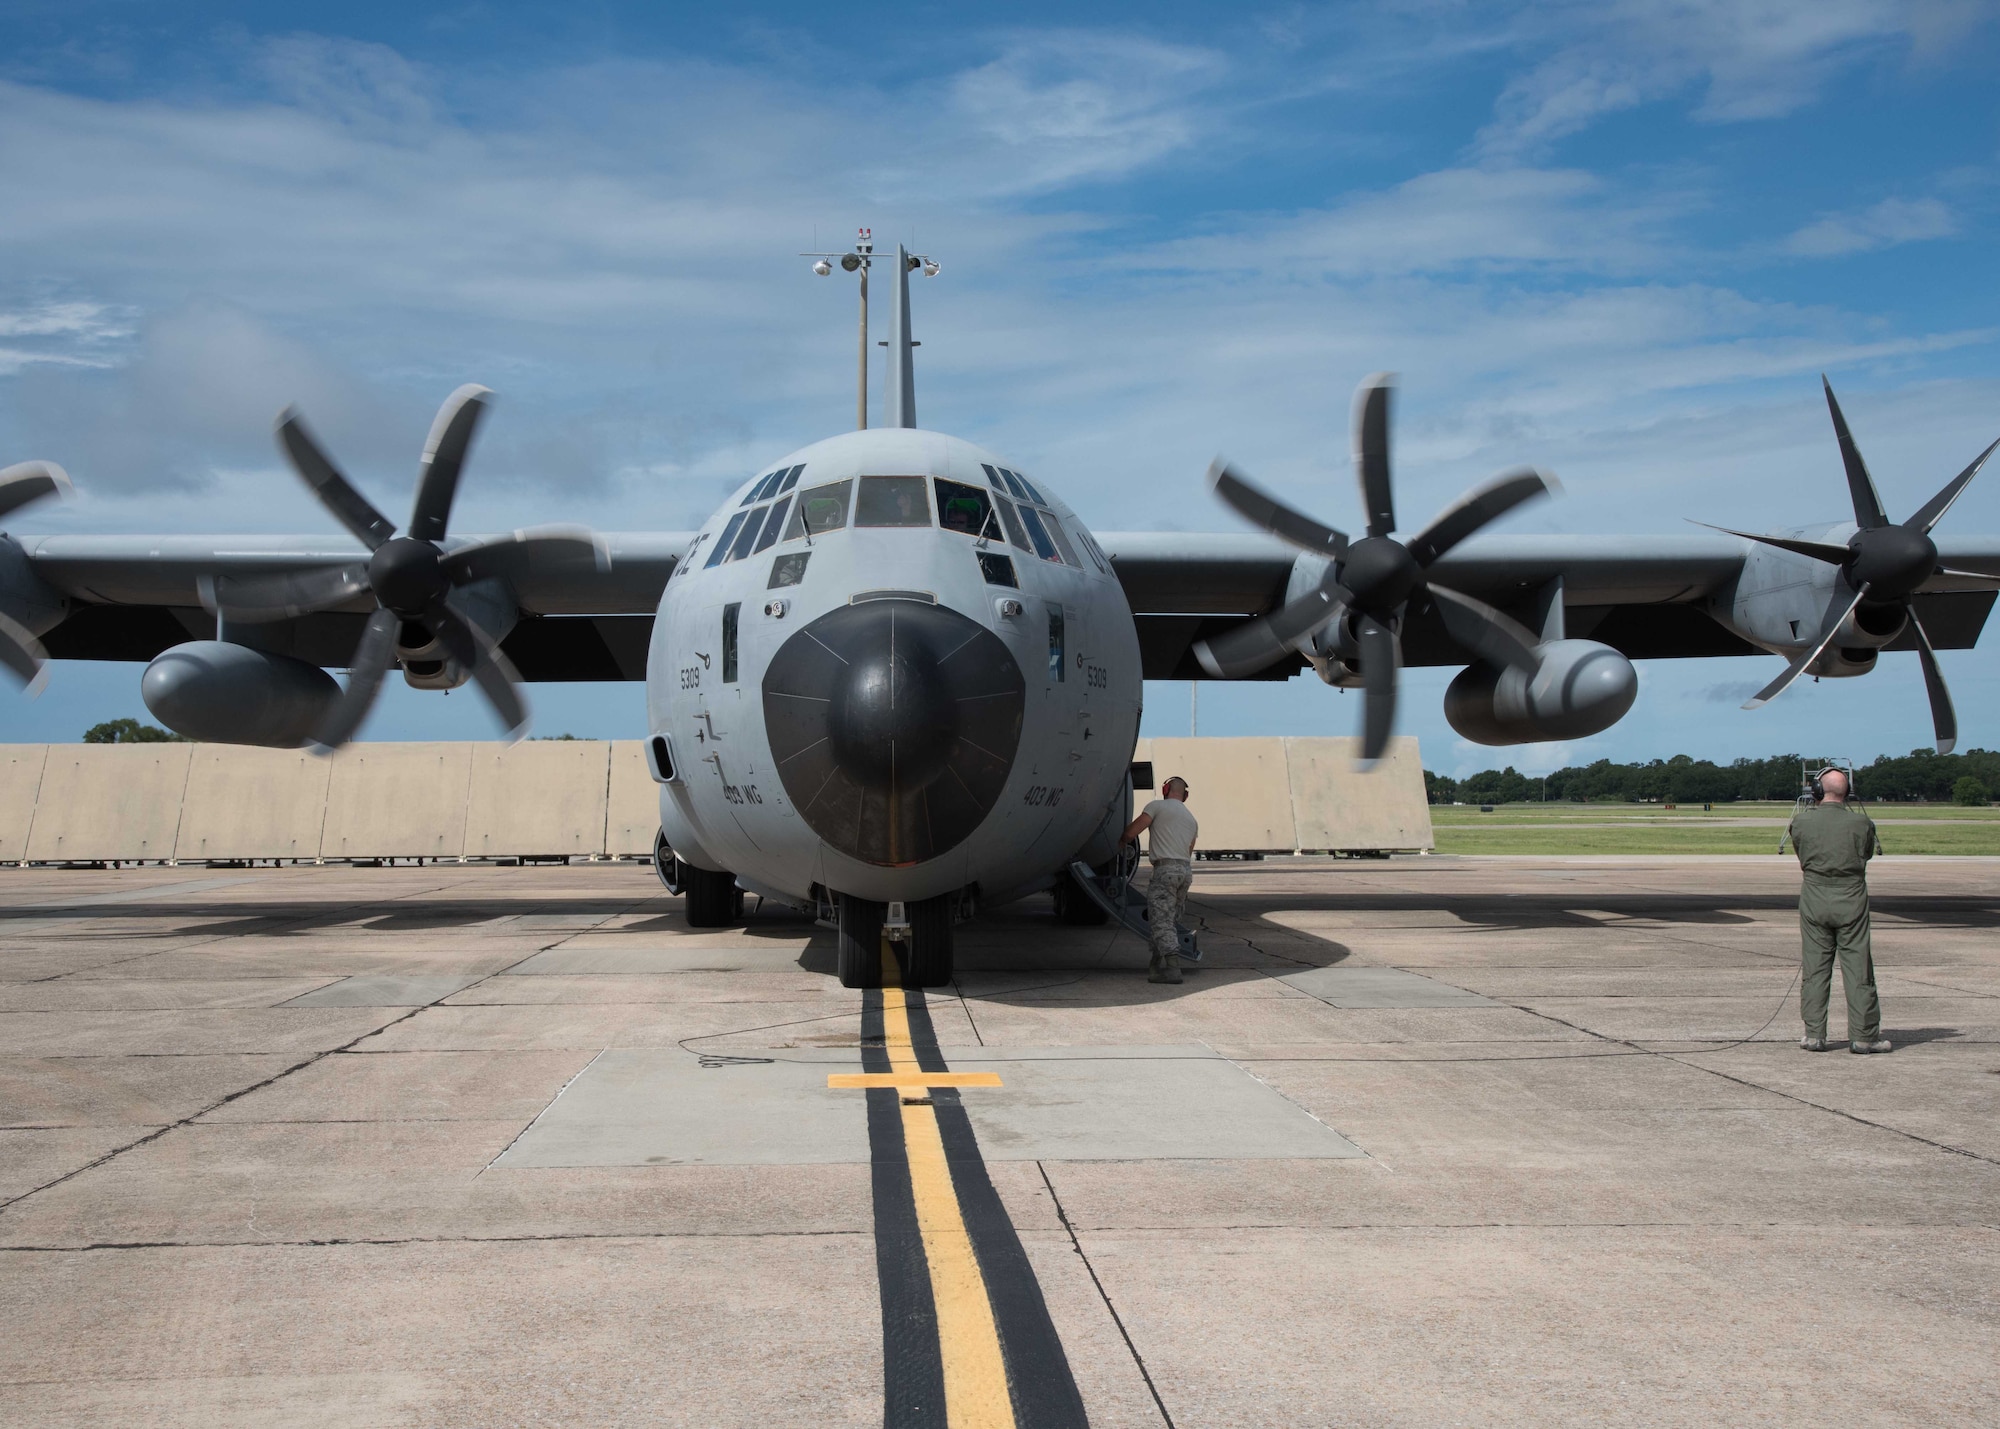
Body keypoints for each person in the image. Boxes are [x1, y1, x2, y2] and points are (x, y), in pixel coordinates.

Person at [1788, 768, 1889, 1054]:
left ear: (1817, 791)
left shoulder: (1801, 822)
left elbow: (1801, 853)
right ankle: (1864, 1036)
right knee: (1858, 968)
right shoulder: (1862, 823)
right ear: (1848, 792)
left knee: (1815, 967)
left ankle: (1814, 1034)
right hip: (1852, 898)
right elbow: (1866, 854)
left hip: (1815, 897)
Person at [1120, 776, 1198, 984]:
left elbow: (1130, 833)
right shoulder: (1191, 819)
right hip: (1185, 871)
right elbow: (1188, 851)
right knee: (1168, 920)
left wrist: (1118, 843)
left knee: (1161, 921)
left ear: (1165, 789)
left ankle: (1173, 969)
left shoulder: (1156, 807)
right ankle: (1156, 966)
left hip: (1165, 871)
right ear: (1186, 795)